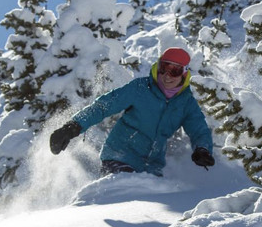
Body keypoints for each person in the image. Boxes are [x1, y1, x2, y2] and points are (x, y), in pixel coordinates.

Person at [49, 47, 215, 177]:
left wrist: (202, 149)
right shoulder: (140, 88)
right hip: (119, 156)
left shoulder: (186, 102)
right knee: (124, 200)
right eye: (164, 68)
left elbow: (199, 129)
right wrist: (73, 126)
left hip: (152, 167)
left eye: (175, 71)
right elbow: (103, 106)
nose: (167, 75)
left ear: (185, 73)